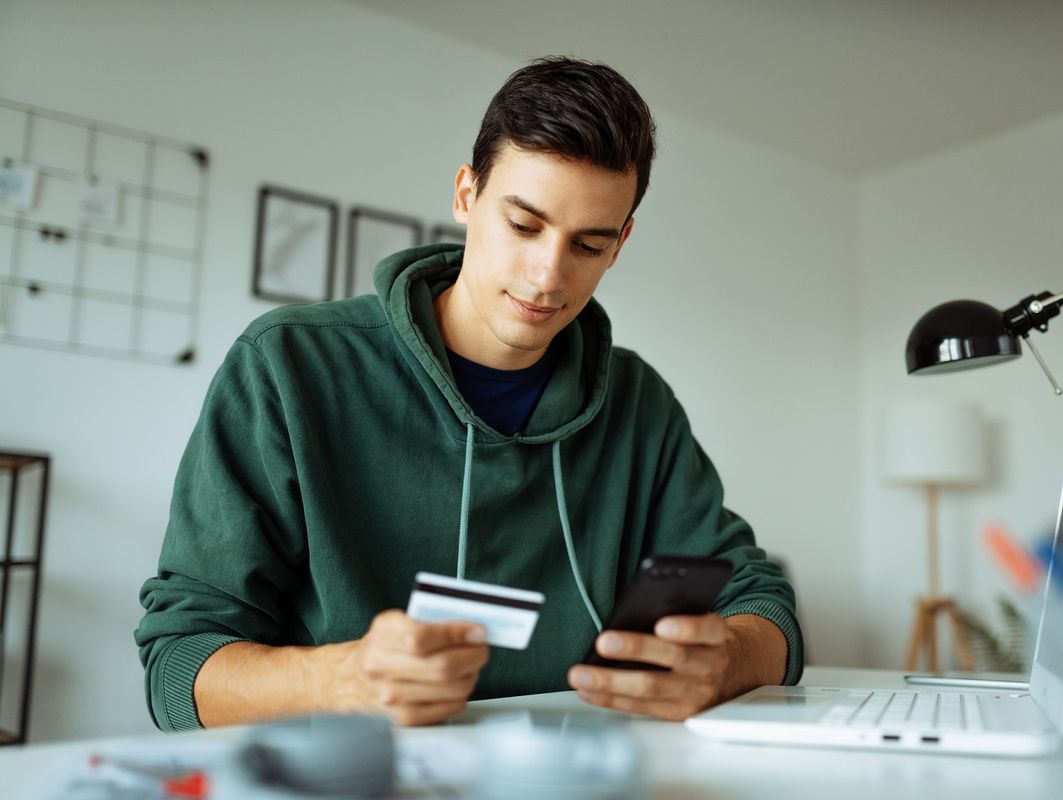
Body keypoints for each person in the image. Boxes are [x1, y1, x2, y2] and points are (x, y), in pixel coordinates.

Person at [136, 56, 803, 731]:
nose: (547, 276)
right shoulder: (287, 366)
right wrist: (335, 679)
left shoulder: (639, 404)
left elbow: (761, 603)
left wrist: (731, 658)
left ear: (620, 244)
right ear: (465, 195)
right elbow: (178, 666)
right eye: (523, 225)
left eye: (588, 244)